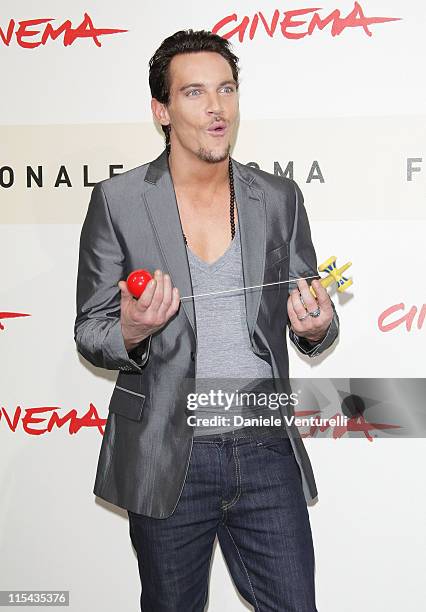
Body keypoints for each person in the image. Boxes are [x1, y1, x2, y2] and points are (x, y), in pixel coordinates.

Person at [74, 29, 339, 612]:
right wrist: (134, 328)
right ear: (161, 110)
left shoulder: (278, 197)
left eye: (226, 89)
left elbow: (310, 311)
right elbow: (91, 329)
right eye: (194, 93)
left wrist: (316, 326)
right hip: (169, 452)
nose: (216, 108)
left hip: (265, 446)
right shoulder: (118, 201)